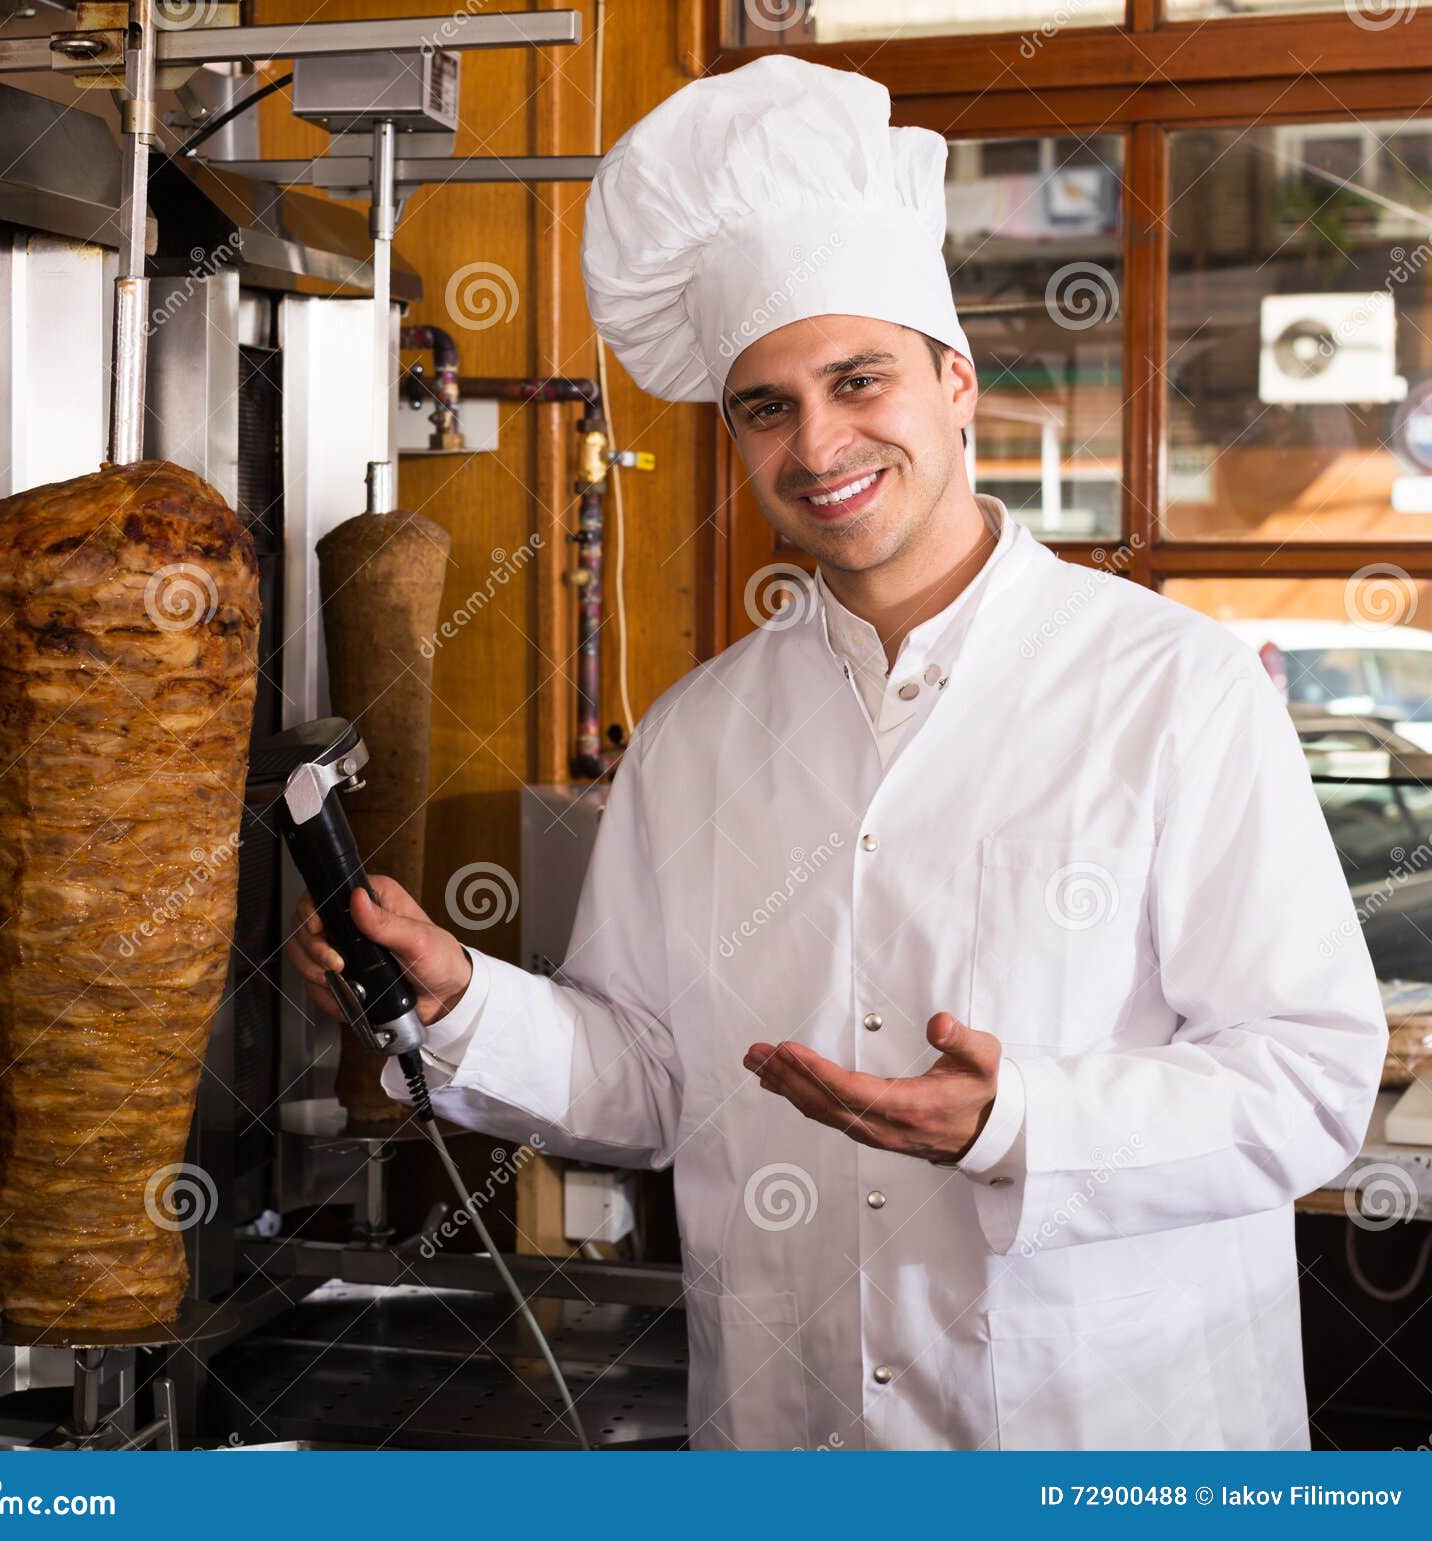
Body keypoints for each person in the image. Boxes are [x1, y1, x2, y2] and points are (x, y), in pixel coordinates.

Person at [287, 55, 1386, 1451]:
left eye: (859, 380)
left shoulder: (1173, 689)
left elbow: (1309, 1079)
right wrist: (459, 1003)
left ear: (956, 380)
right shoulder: (697, 737)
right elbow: (651, 1074)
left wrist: (1019, 1122)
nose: (820, 443)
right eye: (767, 405)